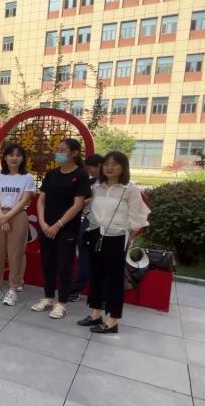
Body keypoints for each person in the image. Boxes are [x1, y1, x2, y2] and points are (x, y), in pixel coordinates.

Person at [76, 151, 150, 334]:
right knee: (96, 275)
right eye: (106, 164)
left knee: (114, 280)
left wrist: (129, 237)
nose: (109, 168)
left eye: (115, 164)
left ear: (123, 168)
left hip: (116, 237)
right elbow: (87, 208)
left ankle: (113, 320)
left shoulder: (129, 190)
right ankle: (95, 313)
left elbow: (139, 217)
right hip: (95, 234)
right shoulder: (96, 187)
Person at [32, 139, 92, 319]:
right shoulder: (51, 174)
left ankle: (62, 303)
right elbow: (41, 200)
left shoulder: (81, 175)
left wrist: (58, 225)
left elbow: (78, 204)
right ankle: (48, 298)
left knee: (64, 266)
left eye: (62, 150)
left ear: (74, 153)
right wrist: (43, 222)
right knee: (47, 263)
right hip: (46, 227)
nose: (58, 153)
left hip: (66, 229)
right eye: (57, 149)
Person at [0, 144, 36, 306]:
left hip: (17, 215)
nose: (15, 158)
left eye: (18, 155)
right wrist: (1, 217)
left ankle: (13, 288)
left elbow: (24, 200)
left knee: (15, 254)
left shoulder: (27, 178)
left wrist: (7, 217)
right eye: (11, 155)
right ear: (5, 157)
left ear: (23, 158)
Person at [70, 153, 104, 302]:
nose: (90, 172)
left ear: (100, 166)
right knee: (84, 256)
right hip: (88, 222)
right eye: (88, 169)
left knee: (103, 260)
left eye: (92, 169)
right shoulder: (90, 183)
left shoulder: (114, 185)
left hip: (108, 225)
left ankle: (102, 294)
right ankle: (77, 289)